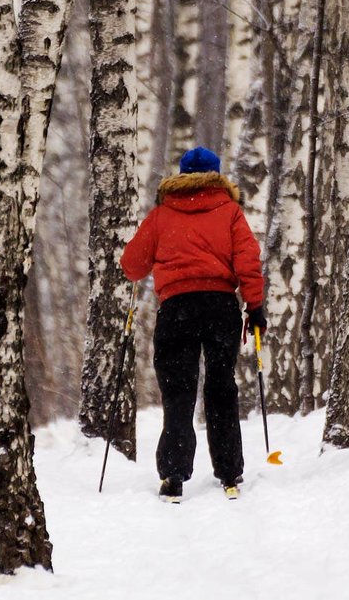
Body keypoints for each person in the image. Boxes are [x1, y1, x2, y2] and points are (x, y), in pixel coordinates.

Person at [120, 146, 266, 503]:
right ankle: (230, 471)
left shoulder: (161, 215)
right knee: (220, 386)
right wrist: (255, 306)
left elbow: (132, 266)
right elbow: (247, 261)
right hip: (220, 307)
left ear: (181, 175)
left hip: (177, 308)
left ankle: (173, 474)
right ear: (217, 176)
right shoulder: (230, 212)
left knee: (179, 392)